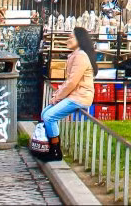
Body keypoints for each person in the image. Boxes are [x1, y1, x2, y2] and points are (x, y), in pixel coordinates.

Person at [37, 28, 96, 162]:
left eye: (71, 37)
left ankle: (55, 151)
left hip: (80, 96)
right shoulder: (76, 55)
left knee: (49, 116)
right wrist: (57, 95)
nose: (68, 40)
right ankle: (48, 146)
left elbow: (72, 82)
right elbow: (69, 81)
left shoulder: (81, 56)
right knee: (44, 113)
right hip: (73, 95)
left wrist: (58, 97)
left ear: (79, 39)